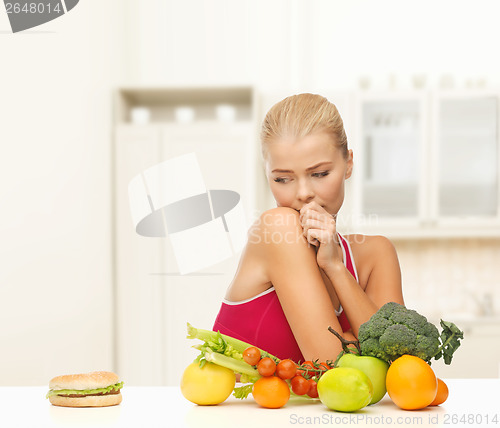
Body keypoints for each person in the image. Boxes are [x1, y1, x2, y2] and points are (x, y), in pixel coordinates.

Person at [212, 93, 404, 363]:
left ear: (348, 163)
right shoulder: (277, 226)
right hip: (239, 406)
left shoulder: (376, 254)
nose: (303, 193)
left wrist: (335, 267)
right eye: (282, 178)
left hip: (324, 408)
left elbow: (399, 364)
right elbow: (331, 365)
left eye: (320, 174)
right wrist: (352, 339)